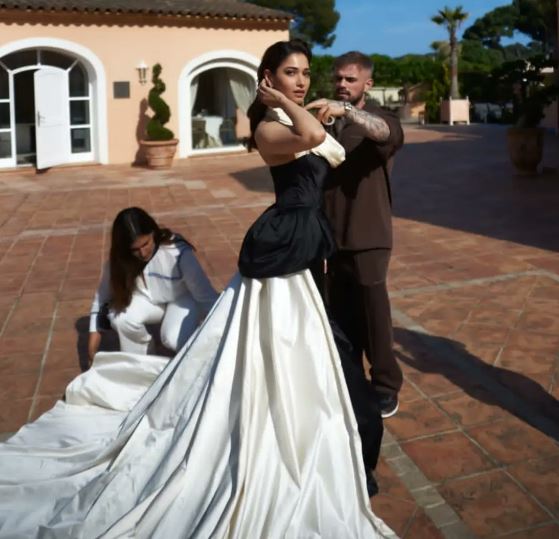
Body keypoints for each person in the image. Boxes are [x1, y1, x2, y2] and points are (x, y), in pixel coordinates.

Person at [0, 41, 394, 538]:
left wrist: (327, 110)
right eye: (290, 73)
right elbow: (314, 134)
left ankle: (347, 450)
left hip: (307, 250)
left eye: (306, 74)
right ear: (267, 77)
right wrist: (282, 103)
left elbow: (330, 148)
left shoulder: (293, 119)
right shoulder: (269, 127)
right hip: (283, 254)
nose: (302, 81)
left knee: (325, 357)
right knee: (289, 352)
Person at [306, 51, 404, 418]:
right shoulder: (326, 125)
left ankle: (385, 386)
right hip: (333, 237)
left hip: (369, 235)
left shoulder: (381, 121)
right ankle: (351, 379)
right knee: (342, 314)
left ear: (368, 84)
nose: (342, 85)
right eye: (339, 79)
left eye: (350, 79)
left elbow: (382, 133)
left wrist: (346, 111)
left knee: (374, 314)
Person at [88, 207, 219, 361]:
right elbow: (101, 301)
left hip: (183, 299)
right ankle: (142, 361)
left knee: (172, 338)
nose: (143, 253)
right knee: (120, 318)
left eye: (145, 244)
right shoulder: (119, 260)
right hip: (149, 301)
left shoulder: (179, 253)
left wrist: (222, 334)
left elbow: (206, 298)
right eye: (135, 249)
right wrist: (91, 351)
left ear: (153, 233)